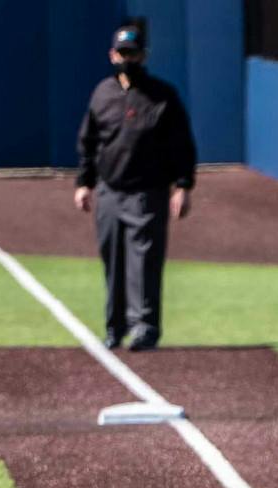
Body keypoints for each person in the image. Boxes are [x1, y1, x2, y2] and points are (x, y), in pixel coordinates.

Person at [74, 22, 196, 353]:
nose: (128, 58)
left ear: (144, 56)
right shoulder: (102, 93)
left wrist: (182, 186)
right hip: (111, 191)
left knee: (145, 261)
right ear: (113, 55)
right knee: (112, 259)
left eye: (133, 53)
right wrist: (84, 183)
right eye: (122, 52)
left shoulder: (162, 96)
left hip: (148, 191)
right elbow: (89, 142)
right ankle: (115, 327)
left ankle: (145, 326)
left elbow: (181, 145)